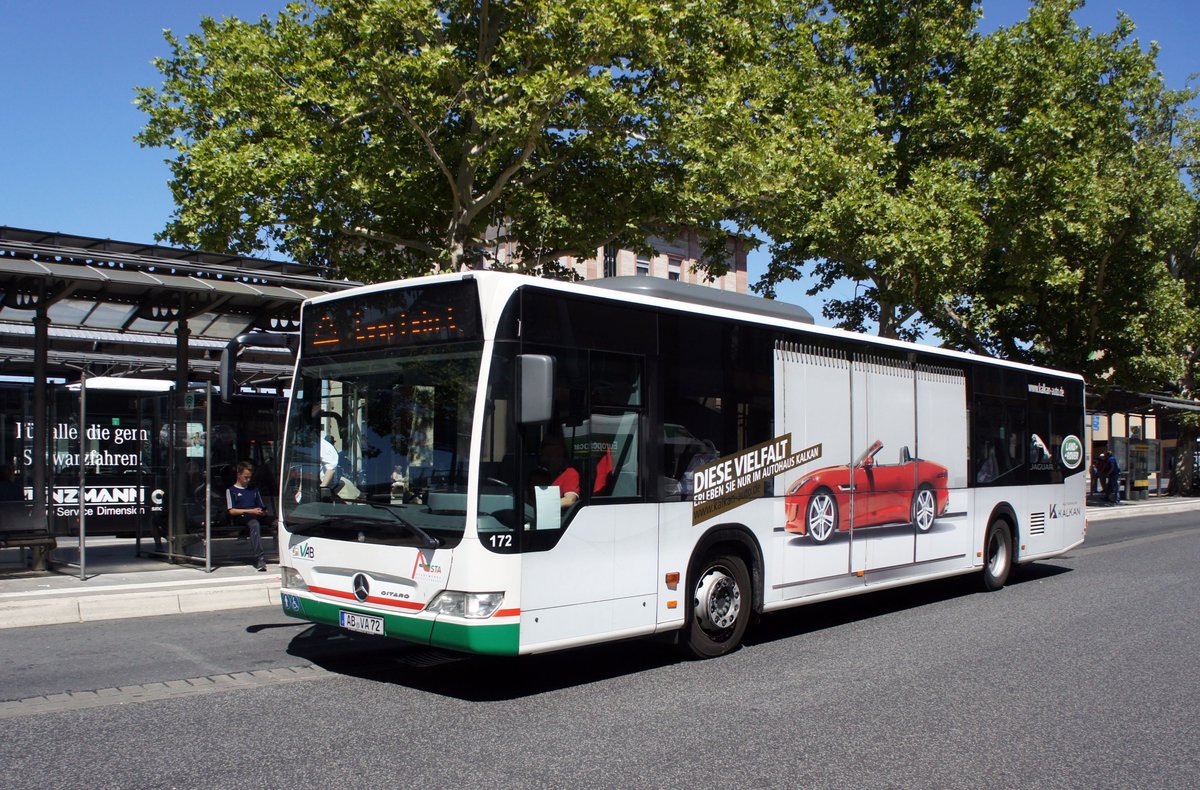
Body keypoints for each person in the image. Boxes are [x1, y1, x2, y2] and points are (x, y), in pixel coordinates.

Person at [226, 460, 268, 571]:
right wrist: (251, 511)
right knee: (254, 524)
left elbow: (260, 505)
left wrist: (262, 511)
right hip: (242, 517)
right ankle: (260, 558)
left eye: (250, 477)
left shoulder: (254, 489)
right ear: (239, 475)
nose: (248, 480)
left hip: (256, 514)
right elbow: (232, 511)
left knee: (278, 522)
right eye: (246, 477)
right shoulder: (231, 490)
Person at [532, 436, 580, 509]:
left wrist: (544, 505)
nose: (545, 459)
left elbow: (570, 500)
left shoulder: (570, 473)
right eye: (544, 455)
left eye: (549, 455)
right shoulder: (541, 475)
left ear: (560, 452)